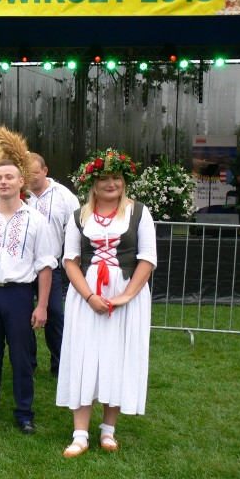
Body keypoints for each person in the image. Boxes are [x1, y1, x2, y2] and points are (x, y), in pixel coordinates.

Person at [57, 148, 157, 457]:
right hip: (86, 294)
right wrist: (89, 295)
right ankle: (80, 433)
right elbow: (70, 260)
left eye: (116, 177)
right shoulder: (79, 216)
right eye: (104, 178)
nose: (110, 183)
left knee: (118, 354)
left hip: (127, 295)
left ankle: (108, 430)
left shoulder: (139, 212)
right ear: (92, 183)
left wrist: (126, 296)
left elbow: (148, 258)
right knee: (84, 354)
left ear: (124, 181)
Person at [0, 159, 56, 435]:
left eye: (9, 177)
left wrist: (41, 306)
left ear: (20, 183)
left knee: (22, 357)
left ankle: (24, 413)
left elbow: (45, 265)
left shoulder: (36, 221)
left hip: (19, 295)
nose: (3, 181)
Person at [27, 153, 80, 376]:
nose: (31, 177)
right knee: (21, 316)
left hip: (52, 266)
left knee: (55, 314)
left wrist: (70, 261)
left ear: (45, 171)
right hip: (23, 268)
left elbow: (75, 228)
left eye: (35, 173)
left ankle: (60, 365)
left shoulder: (64, 196)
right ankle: (28, 363)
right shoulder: (19, 195)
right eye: (26, 173)